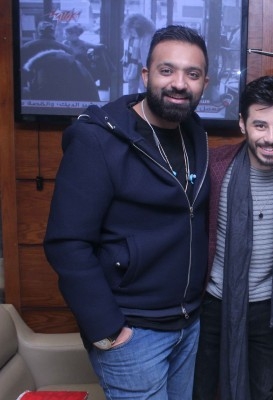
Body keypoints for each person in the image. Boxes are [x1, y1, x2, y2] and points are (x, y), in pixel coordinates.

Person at [43, 25, 211, 400]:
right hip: (134, 334)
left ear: (205, 82)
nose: (179, 83)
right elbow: (66, 243)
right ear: (146, 75)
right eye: (167, 70)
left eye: (192, 73)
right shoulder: (97, 139)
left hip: (187, 325)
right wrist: (108, 329)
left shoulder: (194, 132)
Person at [193, 76, 273, 400]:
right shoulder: (216, 167)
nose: (271, 138)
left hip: (269, 308)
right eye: (260, 125)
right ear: (242, 124)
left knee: (264, 390)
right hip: (215, 303)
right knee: (203, 390)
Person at [121, 13, 156, 94]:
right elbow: (128, 51)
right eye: (130, 30)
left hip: (143, 66)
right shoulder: (131, 37)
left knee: (144, 88)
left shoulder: (148, 37)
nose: (131, 32)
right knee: (132, 88)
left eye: (133, 30)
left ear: (140, 27)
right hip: (132, 66)